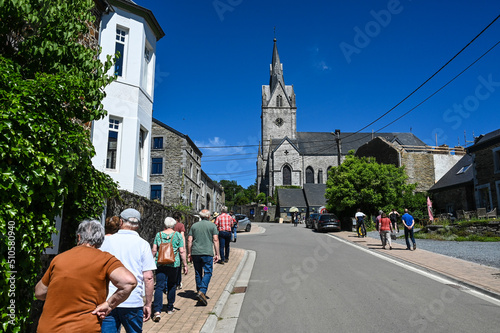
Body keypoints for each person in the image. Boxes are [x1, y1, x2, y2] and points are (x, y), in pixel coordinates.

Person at [35, 220, 137, 333]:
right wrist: (109, 304)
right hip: (84, 327)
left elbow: (39, 293)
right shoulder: (105, 259)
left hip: (49, 328)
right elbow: (129, 282)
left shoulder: (59, 259)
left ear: (79, 237)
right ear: (100, 240)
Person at [100, 208, 157, 333]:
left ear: (120, 222)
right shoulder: (143, 244)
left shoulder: (106, 241)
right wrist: (148, 303)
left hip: (108, 300)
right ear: (138, 225)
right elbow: (148, 277)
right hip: (132, 301)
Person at [151, 217, 188, 322]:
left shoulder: (159, 235)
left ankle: (157, 310)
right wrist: (185, 264)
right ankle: (170, 307)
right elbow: (181, 251)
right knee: (172, 285)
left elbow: (154, 250)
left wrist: (149, 262)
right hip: (174, 263)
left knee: (159, 286)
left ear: (165, 224)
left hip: (161, 263)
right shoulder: (177, 235)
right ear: (174, 225)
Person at [187, 209, 220, 306]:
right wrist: (217, 254)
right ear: (209, 216)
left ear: (200, 216)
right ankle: (202, 291)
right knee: (208, 272)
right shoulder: (212, 225)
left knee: (198, 273)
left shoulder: (194, 226)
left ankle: (199, 292)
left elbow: (189, 240)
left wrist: (189, 253)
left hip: (196, 252)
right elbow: (215, 239)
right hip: (207, 252)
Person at [172, 211, 186, 289]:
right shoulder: (180, 225)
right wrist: (183, 248)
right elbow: (182, 237)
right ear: (179, 218)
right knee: (178, 266)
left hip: (170, 248)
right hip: (177, 247)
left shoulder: (169, 225)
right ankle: (178, 283)